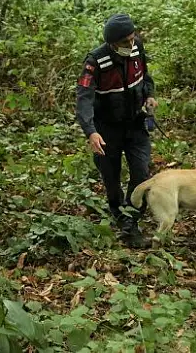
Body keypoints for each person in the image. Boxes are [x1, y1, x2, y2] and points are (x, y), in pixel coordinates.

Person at [76, 14, 158, 248]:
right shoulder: (95, 62)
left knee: (141, 173)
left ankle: (130, 220)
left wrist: (150, 95)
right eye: (125, 43)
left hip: (135, 124)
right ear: (113, 43)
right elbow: (83, 99)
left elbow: (145, 76)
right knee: (111, 178)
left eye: (133, 39)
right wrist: (90, 131)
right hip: (106, 130)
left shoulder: (137, 48)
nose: (131, 45)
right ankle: (117, 211)